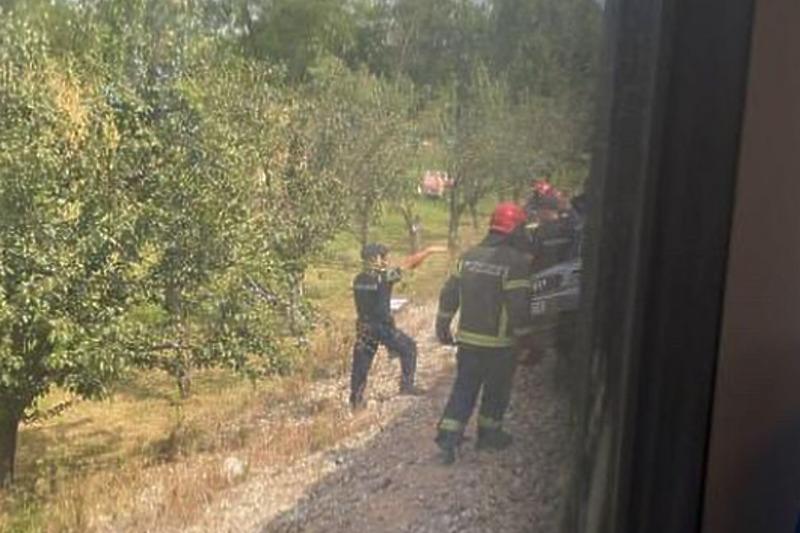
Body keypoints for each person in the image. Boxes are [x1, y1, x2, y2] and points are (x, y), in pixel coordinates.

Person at [434, 202, 534, 464]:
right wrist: (526, 340)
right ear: (514, 229)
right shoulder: (515, 263)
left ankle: (448, 437)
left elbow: (449, 294)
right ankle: (489, 436)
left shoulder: (468, 256)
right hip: (500, 344)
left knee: (464, 387)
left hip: (468, 341)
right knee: (496, 390)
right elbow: (518, 307)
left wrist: (442, 325)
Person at [350, 242, 444, 411]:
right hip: (383, 328)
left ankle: (356, 401)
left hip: (364, 328)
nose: (386, 260)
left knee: (361, 365)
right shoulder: (383, 278)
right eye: (383, 257)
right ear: (374, 259)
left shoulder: (358, 279)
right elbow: (409, 264)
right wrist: (428, 251)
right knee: (409, 348)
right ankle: (407, 385)